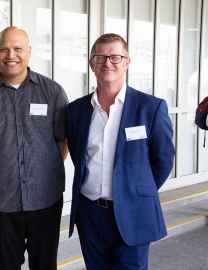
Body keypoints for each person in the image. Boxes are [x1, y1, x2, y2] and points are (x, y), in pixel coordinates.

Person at [65, 33, 175, 270]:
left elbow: (163, 159)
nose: (107, 63)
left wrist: (135, 191)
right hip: (91, 214)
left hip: (133, 212)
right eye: (101, 57)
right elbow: (79, 156)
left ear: (127, 62)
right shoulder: (76, 111)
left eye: (115, 57)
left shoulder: (151, 108)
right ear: (92, 63)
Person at [0, 26, 68, 270]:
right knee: (7, 265)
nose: (11, 55)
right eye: (4, 49)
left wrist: (39, 175)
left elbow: (62, 141)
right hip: (1, 203)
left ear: (29, 52)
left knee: (44, 265)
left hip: (45, 199)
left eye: (18, 49)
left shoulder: (52, 92)